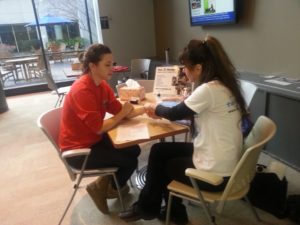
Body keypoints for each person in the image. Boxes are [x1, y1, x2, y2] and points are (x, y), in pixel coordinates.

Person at [119, 35, 249, 225]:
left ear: (199, 67)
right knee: (158, 150)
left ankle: (151, 209)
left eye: (186, 68)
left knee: (161, 166)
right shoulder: (225, 85)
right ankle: (165, 211)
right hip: (226, 161)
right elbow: (202, 112)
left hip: (214, 174)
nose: (184, 72)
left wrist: (154, 109)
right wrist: (169, 110)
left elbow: (173, 113)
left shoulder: (208, 90)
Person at [58, 43, 145, 214]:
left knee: (133, 149)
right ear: (92, 66)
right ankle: (104, 188)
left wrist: (149, 110)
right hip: (79, 151)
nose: (112, 68)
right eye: (107, 64)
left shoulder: (102, 85)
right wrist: (123, 114)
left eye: (112, 63)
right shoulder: (82, 90)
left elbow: (120, 110)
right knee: (130, 161)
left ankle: (109, 184)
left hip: (92, 140)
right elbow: (99, 128)